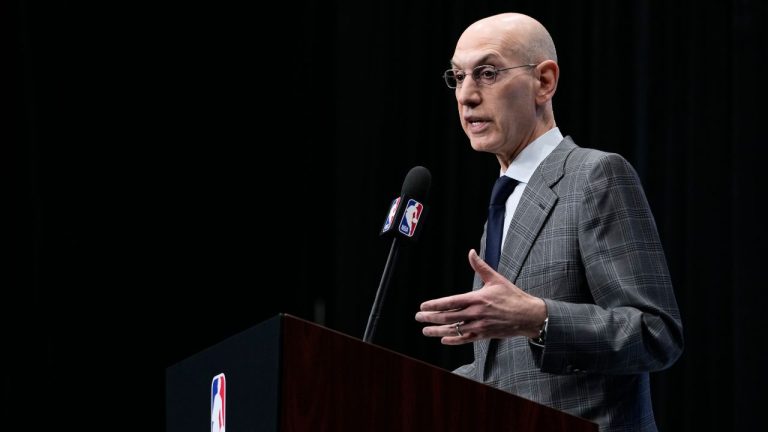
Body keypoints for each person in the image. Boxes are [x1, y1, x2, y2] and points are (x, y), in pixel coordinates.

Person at [414, 12, 683, 432]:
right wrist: (415, 394)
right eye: (458, 76)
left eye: (487, 73)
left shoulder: (595, 176)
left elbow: (655, 334)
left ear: (544, 81)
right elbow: (512, 374)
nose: (466, 96)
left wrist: (539, 319)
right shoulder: (504, 203)